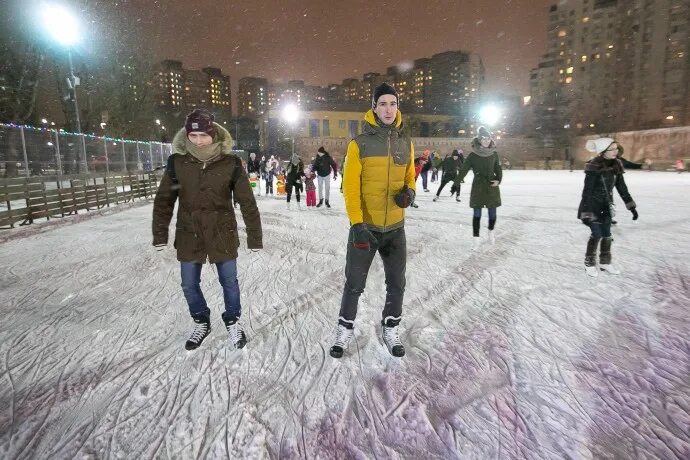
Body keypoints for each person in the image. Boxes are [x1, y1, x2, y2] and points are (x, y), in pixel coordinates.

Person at [152, 108, 262, 350]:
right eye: (193, 136)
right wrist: (160, 233)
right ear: (186, 136)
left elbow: (247, 202)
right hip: (189, 232)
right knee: (188, 284)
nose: (199, 141)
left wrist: (255, 237)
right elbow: (164, 200)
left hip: (222, 231)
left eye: (203, 135)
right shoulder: (177, 163)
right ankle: (201, 319)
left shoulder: (231, 163)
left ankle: (233, 320)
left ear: (213, 134)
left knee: (229, 281)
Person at [330, 82, 416, 359]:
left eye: (393, 103)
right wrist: (357, 224)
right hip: (365, 228)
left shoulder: (406, 141)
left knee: (396, 282)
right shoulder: (359, 144)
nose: (388, 109)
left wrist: (409, 192)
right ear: (374, 107)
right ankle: (344, 329)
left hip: (395, 229)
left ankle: (391, 327)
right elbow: (350, 187)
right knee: (354, 283)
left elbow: (409, 176)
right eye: (383, 104)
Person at [578, 137, 638, 277]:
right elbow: (587, 191)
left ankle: (605, 262)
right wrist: (586, 212)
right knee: (597, 234)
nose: (615, 151)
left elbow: (622, 188)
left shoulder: (616, 165)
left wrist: (631, 206)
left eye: (616, 148)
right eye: (612, 149)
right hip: (592, 205)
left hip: (606, 205)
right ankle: (589, 263)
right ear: (603, 151)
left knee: (607, 235)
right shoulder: (594, 166)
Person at [453, 127, 502, 250]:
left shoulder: (494, 154)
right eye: (484, 139)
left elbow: (498, 170)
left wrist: (498, 180)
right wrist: (456, 183)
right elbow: (463, 171)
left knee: (492, 213)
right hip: (478, 187)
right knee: (477, 214)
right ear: (479, 140)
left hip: (491, 186)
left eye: (488, 138)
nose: (486, 141)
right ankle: (476, 239)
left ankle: (491, 231)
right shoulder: (473, 156)